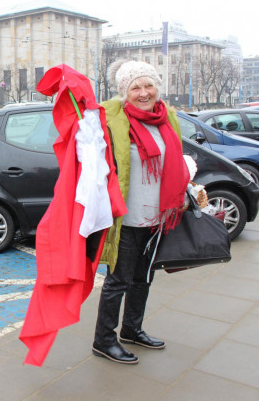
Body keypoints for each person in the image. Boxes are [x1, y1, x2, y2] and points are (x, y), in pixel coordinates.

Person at [92, 60, 190, 364]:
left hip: (157, 216)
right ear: (125, 91)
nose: (144, 92)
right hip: (126, 216)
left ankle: (132, 330)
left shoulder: (167, 118)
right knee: (117, 281)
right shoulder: (111, 120)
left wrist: (184, 187)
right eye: (136, 87)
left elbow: (175, 159)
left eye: (149, 85)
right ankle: (103, 340)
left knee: (144, 277)